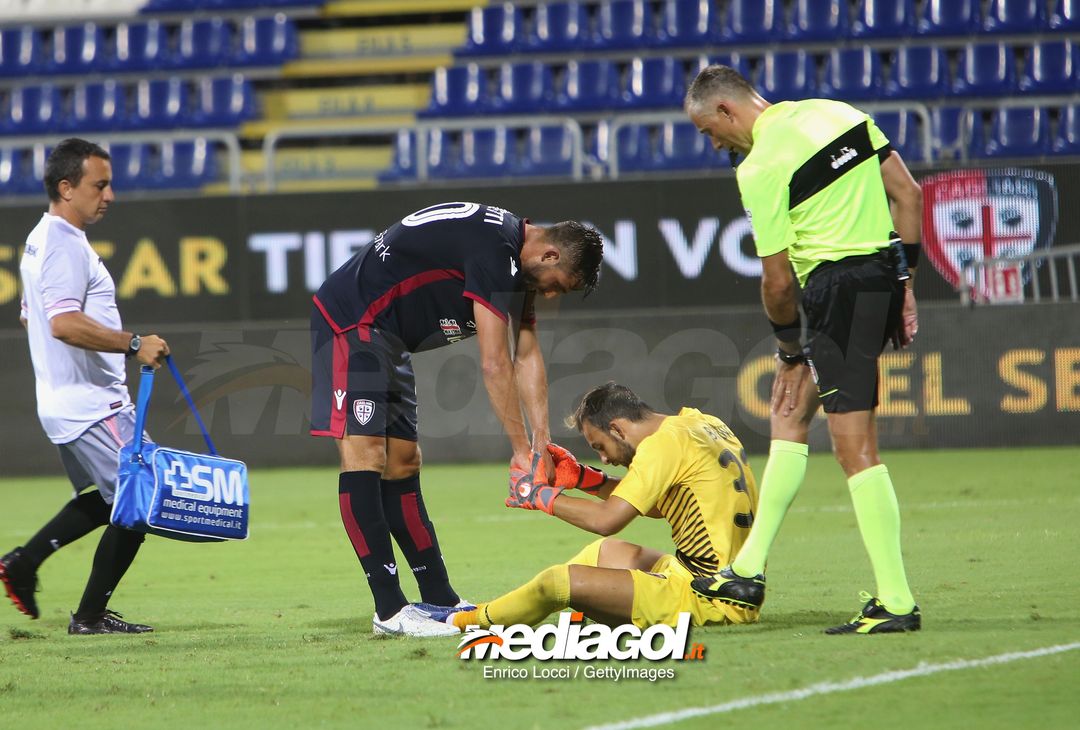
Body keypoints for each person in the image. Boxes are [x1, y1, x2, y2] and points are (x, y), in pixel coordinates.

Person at [683, 65, 922, 634]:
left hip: (836, 290)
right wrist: (905, 286)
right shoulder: (838, 113)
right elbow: (908, 197)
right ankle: (747, 569)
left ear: (725, 112)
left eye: (707, 131)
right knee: (789, 414)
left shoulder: (761, 166)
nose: (713, 143)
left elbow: (777, 282)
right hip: (879, 279)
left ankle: (896, 602)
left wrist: (789, 348)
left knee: (855, 450)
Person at [310, 202, 603, 637]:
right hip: (354, 322)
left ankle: (438, 598)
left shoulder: (515, 263)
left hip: (388, 338)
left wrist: (541, 446)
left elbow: (527, 354)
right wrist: (521, 453)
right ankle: (390, 611)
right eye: (558, 286)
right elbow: (494, 363)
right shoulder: (493, 250)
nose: (552, 295)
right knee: (366, 456)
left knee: (404, 462)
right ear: (550, 256)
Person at [0, 138, 171, 634]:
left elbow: (32, 312)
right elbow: (63, 324)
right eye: (100, 185)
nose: (109, 195)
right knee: (143, 499)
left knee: (105, 500)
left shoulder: (42, 239)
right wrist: (134, 342)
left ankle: (24, 562)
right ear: (66, 187)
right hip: (92, 405)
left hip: (66, 402)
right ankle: (90, 616)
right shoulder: (61, 243)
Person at [434, 382, 760, 633]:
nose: (604, 458)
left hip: (711, 597)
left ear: (617, 428)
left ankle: (463, 621)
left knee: (556, 583)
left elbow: (609, 519)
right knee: (600, 553)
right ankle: (502, 610)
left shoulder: (662, 445)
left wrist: (538, 496)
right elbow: (660, 505)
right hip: (721, 579)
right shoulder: (697, 424)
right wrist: (582, 478)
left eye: (600, 447)